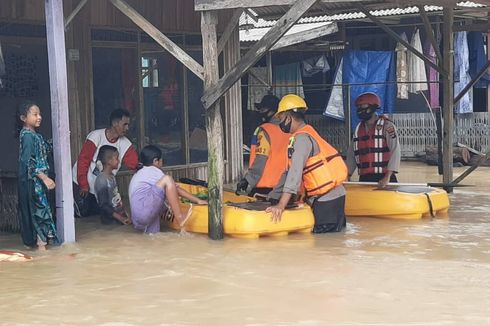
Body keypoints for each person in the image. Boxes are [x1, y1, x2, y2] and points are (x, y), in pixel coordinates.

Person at [266, 94, 348, 233]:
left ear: (288, 117)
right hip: (335, 196)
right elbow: (288, 172)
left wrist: (281, 205)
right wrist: (273, 196)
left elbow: (295, 173)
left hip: (326, 200)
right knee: (335, 240)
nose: (280, 123)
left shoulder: (302, 139)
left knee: (323, 247)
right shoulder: (307, 133)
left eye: (280, 119)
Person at [73, 109, 139, 217]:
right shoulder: (95, 136)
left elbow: (135, 165)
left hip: (101, 189)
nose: (127, 128)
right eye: (125, 124)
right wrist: (83, 185)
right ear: (114, 123)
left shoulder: (126, 144)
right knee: (82, 215)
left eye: (128, 125)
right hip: (81, 185)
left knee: (98, 216)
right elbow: (83, 161)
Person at [129, 145, 207, 234]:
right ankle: (180, 218)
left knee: (153, 238)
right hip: (145, 210)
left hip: (137, 219)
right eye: (161, 160)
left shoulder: (139, 173)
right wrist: (198, 200)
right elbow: (175, 189)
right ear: (155, 161)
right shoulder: (153, 171)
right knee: (167, 179)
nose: (162, 163)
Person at [16, 101, 58, 250]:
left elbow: (47, 148)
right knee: (39, 212)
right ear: (23, 117)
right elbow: (28, 163)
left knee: (43, 211)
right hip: (33, 183)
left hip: (38, 182)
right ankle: (42, 247)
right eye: (35, 114)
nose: (39, 117)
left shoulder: (36, 135)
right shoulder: (27, 136)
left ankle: (43, 246)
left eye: (39, 114)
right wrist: (44, 178)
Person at [236, 94, 290, 197]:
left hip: (265, 187)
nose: (260, 112)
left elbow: (261, 158)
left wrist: (248, 180)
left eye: (263, 109)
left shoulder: (265, 130)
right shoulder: (291, 130)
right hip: (286, 187)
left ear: (273, 111)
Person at [346, 92, 401, 188]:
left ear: (372, 107)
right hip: (364, 179)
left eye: (363, 106)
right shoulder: (358, 129)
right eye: (358, 107)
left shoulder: (387, 126)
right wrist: (347, 175)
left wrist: (388, 176)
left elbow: (395, 151)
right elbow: (352, 155)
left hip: (384, 177)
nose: (360, 110)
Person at [93, 145, 131, 225]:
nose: (119, 161)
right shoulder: (101, 180)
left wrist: (125, 214)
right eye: (117, 158)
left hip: (118, 219)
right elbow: (104, 205)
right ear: (109, 161)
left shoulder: (112, 176)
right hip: (110, 222)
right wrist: (120, 218)